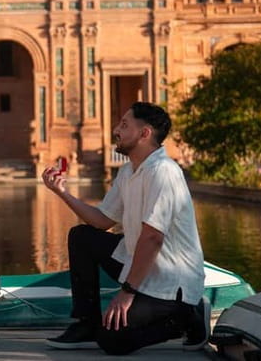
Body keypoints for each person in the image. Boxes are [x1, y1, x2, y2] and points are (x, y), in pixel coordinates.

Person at [42, 102, 210, 355]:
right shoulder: (128, 171)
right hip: (142, 267)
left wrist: (127, 292)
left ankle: (188, 317)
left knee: (112, 339)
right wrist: (62, 192)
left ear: (145, 133)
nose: (116, 131)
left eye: (124, 125)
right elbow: (102, 221)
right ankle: (86, 324)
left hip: (171, 282)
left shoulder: (163, 172)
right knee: (82, 237)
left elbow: (152, 238)